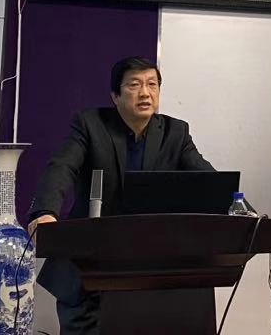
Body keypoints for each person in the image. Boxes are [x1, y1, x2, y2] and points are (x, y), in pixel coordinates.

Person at [27, 56, 215, 334]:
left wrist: (241, 209)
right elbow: (61, 167)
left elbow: (208, 180)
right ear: (115, 95)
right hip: (89, 266)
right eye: (134, 85)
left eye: (152, 84)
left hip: (151, 271)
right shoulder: (90, 124)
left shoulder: (175, 133)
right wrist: (45, 212)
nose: (145, 93)